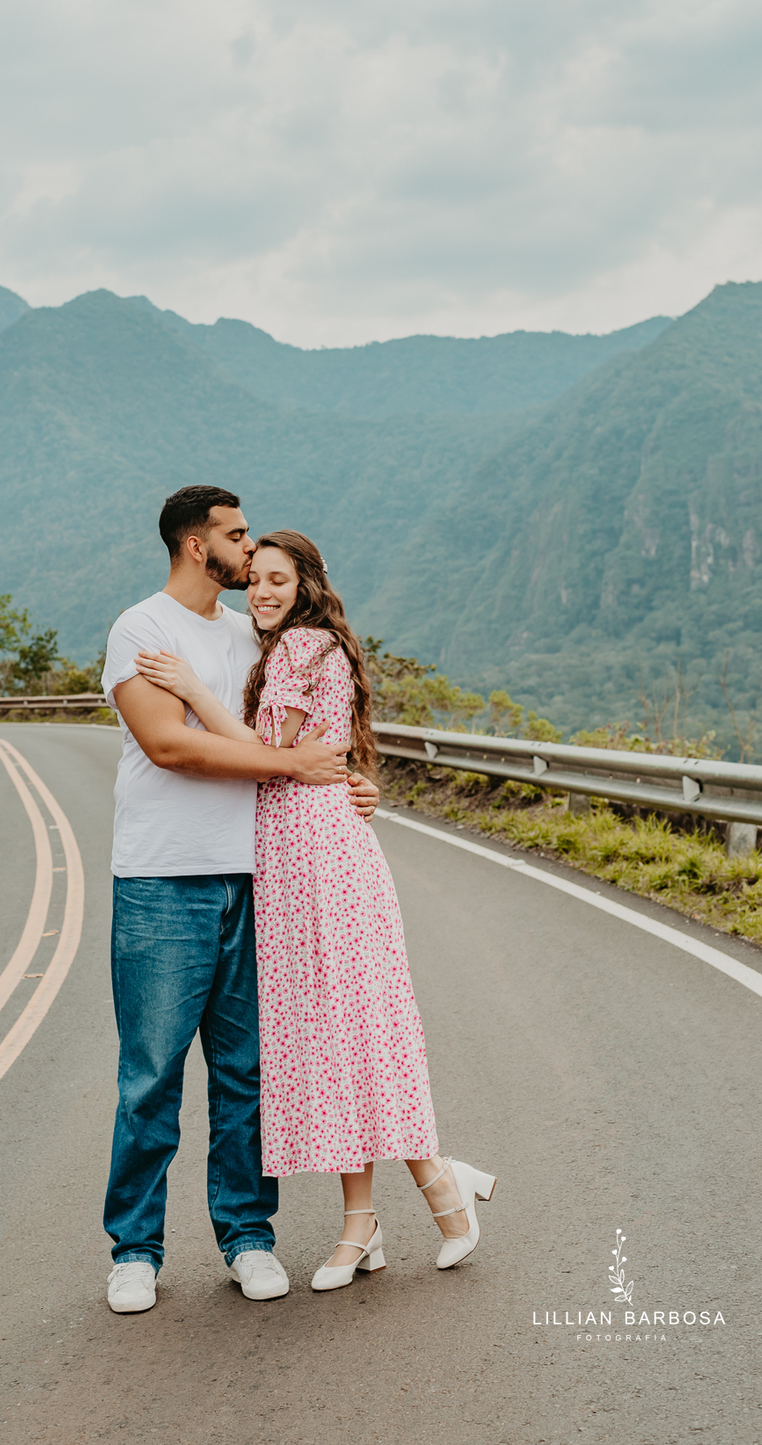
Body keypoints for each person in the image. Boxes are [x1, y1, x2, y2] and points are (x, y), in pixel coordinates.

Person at [135, 529, 496, 1292]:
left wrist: (195, 693)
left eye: (277, 580)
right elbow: (307, 756)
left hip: (319, 862)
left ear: (305, 586)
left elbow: (272, 749)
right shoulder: (294, 647)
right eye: (254, 581)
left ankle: (420, 1197)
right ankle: (386, 1214)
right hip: (299, 858)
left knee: (349, 1033)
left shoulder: (300, 650)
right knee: (339, 1041)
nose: (262, 592)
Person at [101, 488, 381, 1315]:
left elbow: (309, 731)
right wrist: (292, 767)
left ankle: (248, 1235)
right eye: (235, 536)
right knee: (151, 1075)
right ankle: (135, 1251)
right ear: (197, 547)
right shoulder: (141, 630)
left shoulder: (251, 632)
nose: (247, 548)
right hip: (161, 881)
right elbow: (169, 744)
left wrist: (347, 787)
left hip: (258, 877)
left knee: (245, 1073)